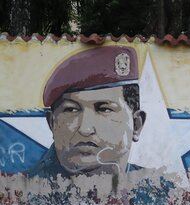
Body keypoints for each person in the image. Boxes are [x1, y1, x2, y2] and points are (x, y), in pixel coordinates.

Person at [26, 46, 146, 181]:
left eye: (104, 109)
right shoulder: (20, 196)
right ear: (52, 123)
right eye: (71, 110)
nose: (85, 129)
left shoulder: (162, 193)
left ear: (136, 125)